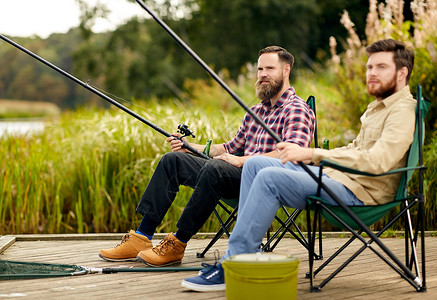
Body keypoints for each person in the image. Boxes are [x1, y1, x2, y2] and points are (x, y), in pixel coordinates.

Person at [181, 38, 416, 291]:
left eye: (381, 67)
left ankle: (234, 263)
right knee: (256, 164)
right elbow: (355, 149)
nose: (371, 73)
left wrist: (315, 153)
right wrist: (306, 154)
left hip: (361, 192)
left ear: (402, 73)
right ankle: (249, 254)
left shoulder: (402, 111)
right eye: (369, 67)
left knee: (269, 178)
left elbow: (378, 161)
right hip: (339, 179)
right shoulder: (377, 108)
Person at [99, 46, 316, 266]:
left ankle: (177, 243)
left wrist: (240, 160)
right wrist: (189, 147)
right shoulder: (256, 111)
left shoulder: (295, 108)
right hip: (235, 176)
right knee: (172, 161)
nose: (263, 74)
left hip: (266, 182)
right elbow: (229, 147)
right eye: (260, 69)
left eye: (270, 68)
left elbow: (293, 153)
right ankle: (142, 237)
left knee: (216, 169)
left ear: (286, 70)